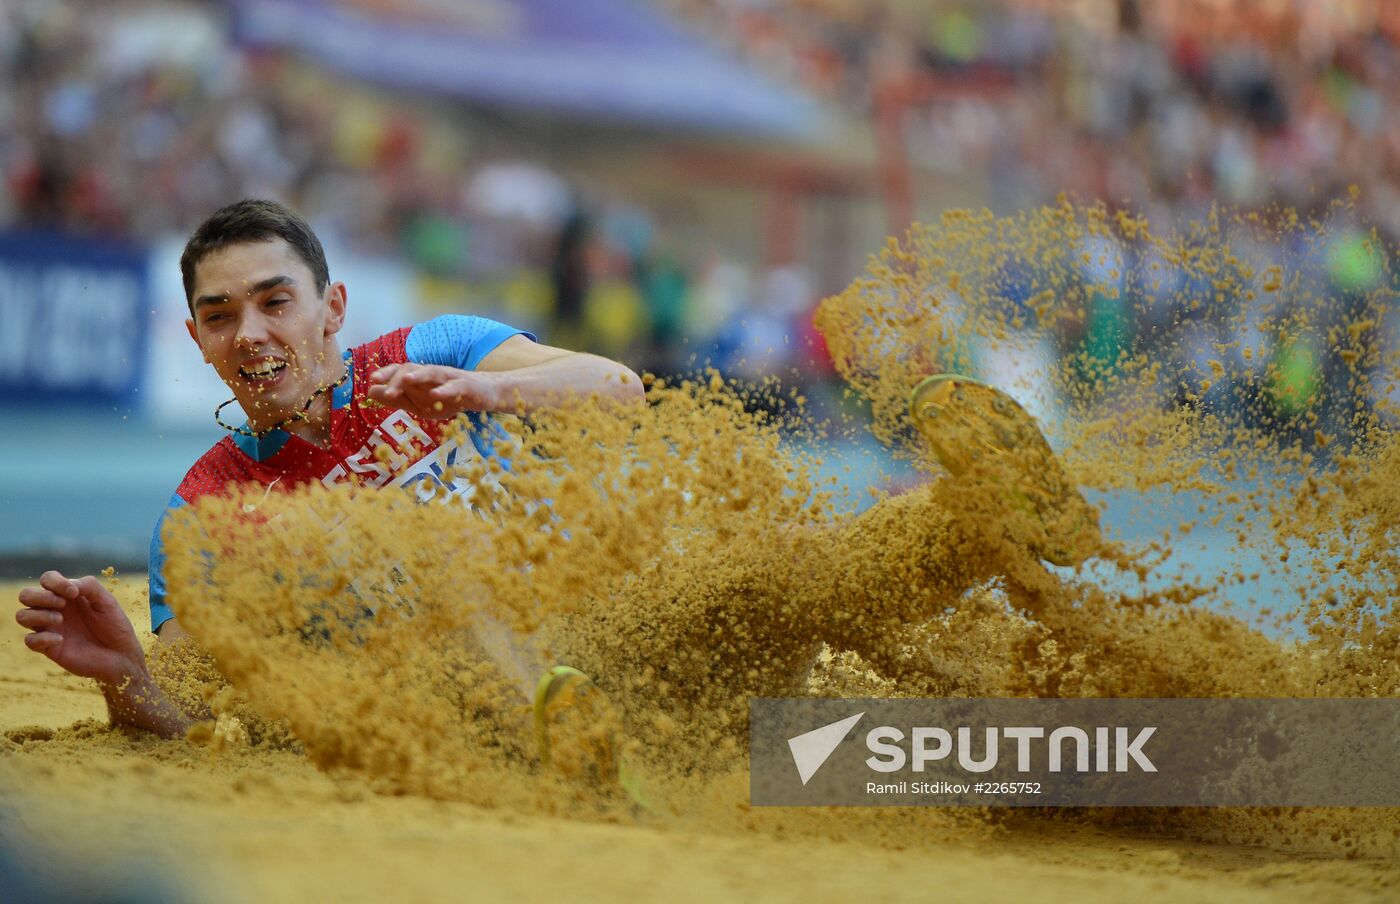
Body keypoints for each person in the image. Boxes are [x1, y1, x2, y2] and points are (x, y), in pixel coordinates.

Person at [13, 199, 644, 738]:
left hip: (604, 619)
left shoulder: (429, 353)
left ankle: (744, 790)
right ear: (198, 339)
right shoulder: (204, 516)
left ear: (334, 309)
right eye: (220, 317)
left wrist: (483, 390)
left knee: (732, 595)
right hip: (464, 711)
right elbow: (191, 720)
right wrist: (126, 680)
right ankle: (565, 736)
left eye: (276, 302)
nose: (250, 334)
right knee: (412, 544)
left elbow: (619, 388)